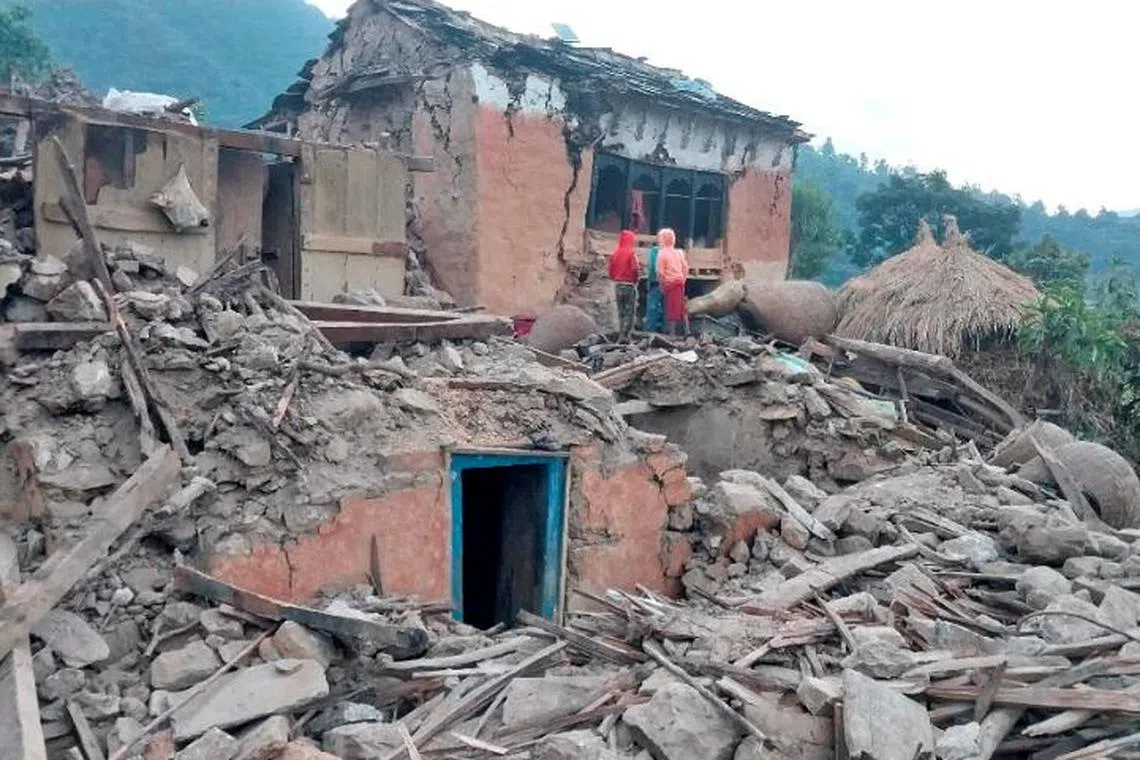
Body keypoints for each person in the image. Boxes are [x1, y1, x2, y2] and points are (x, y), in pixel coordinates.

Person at [654, 228, 689, 336]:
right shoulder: (679, 252)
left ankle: (672, 334)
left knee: (671, 308)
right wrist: (683, 279)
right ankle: (687, 330)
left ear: (663, 240)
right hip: (679, 283)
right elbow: (686, 268)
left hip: (669, 283)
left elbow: (659, 272)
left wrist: (661, 285)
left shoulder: (662, 253)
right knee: (681, 307)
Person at [607, 229, 640, 340]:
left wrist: (614, 278)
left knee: (621, 311)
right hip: (629, 285)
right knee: (629, 311)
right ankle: (625, 336)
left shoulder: (615, 253)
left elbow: (610, 270)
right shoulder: (631, 253)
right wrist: (636, 280)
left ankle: (621, 332)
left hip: (618, 285)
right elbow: (635, 269)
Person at [644, 242, 665, 333]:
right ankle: (667, 331)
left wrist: (649, 282)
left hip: (655, 283)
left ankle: (650, 331)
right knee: (666, 308)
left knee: (652, 308)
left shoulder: (653, 252)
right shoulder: (671, 252)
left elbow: (652, 268)